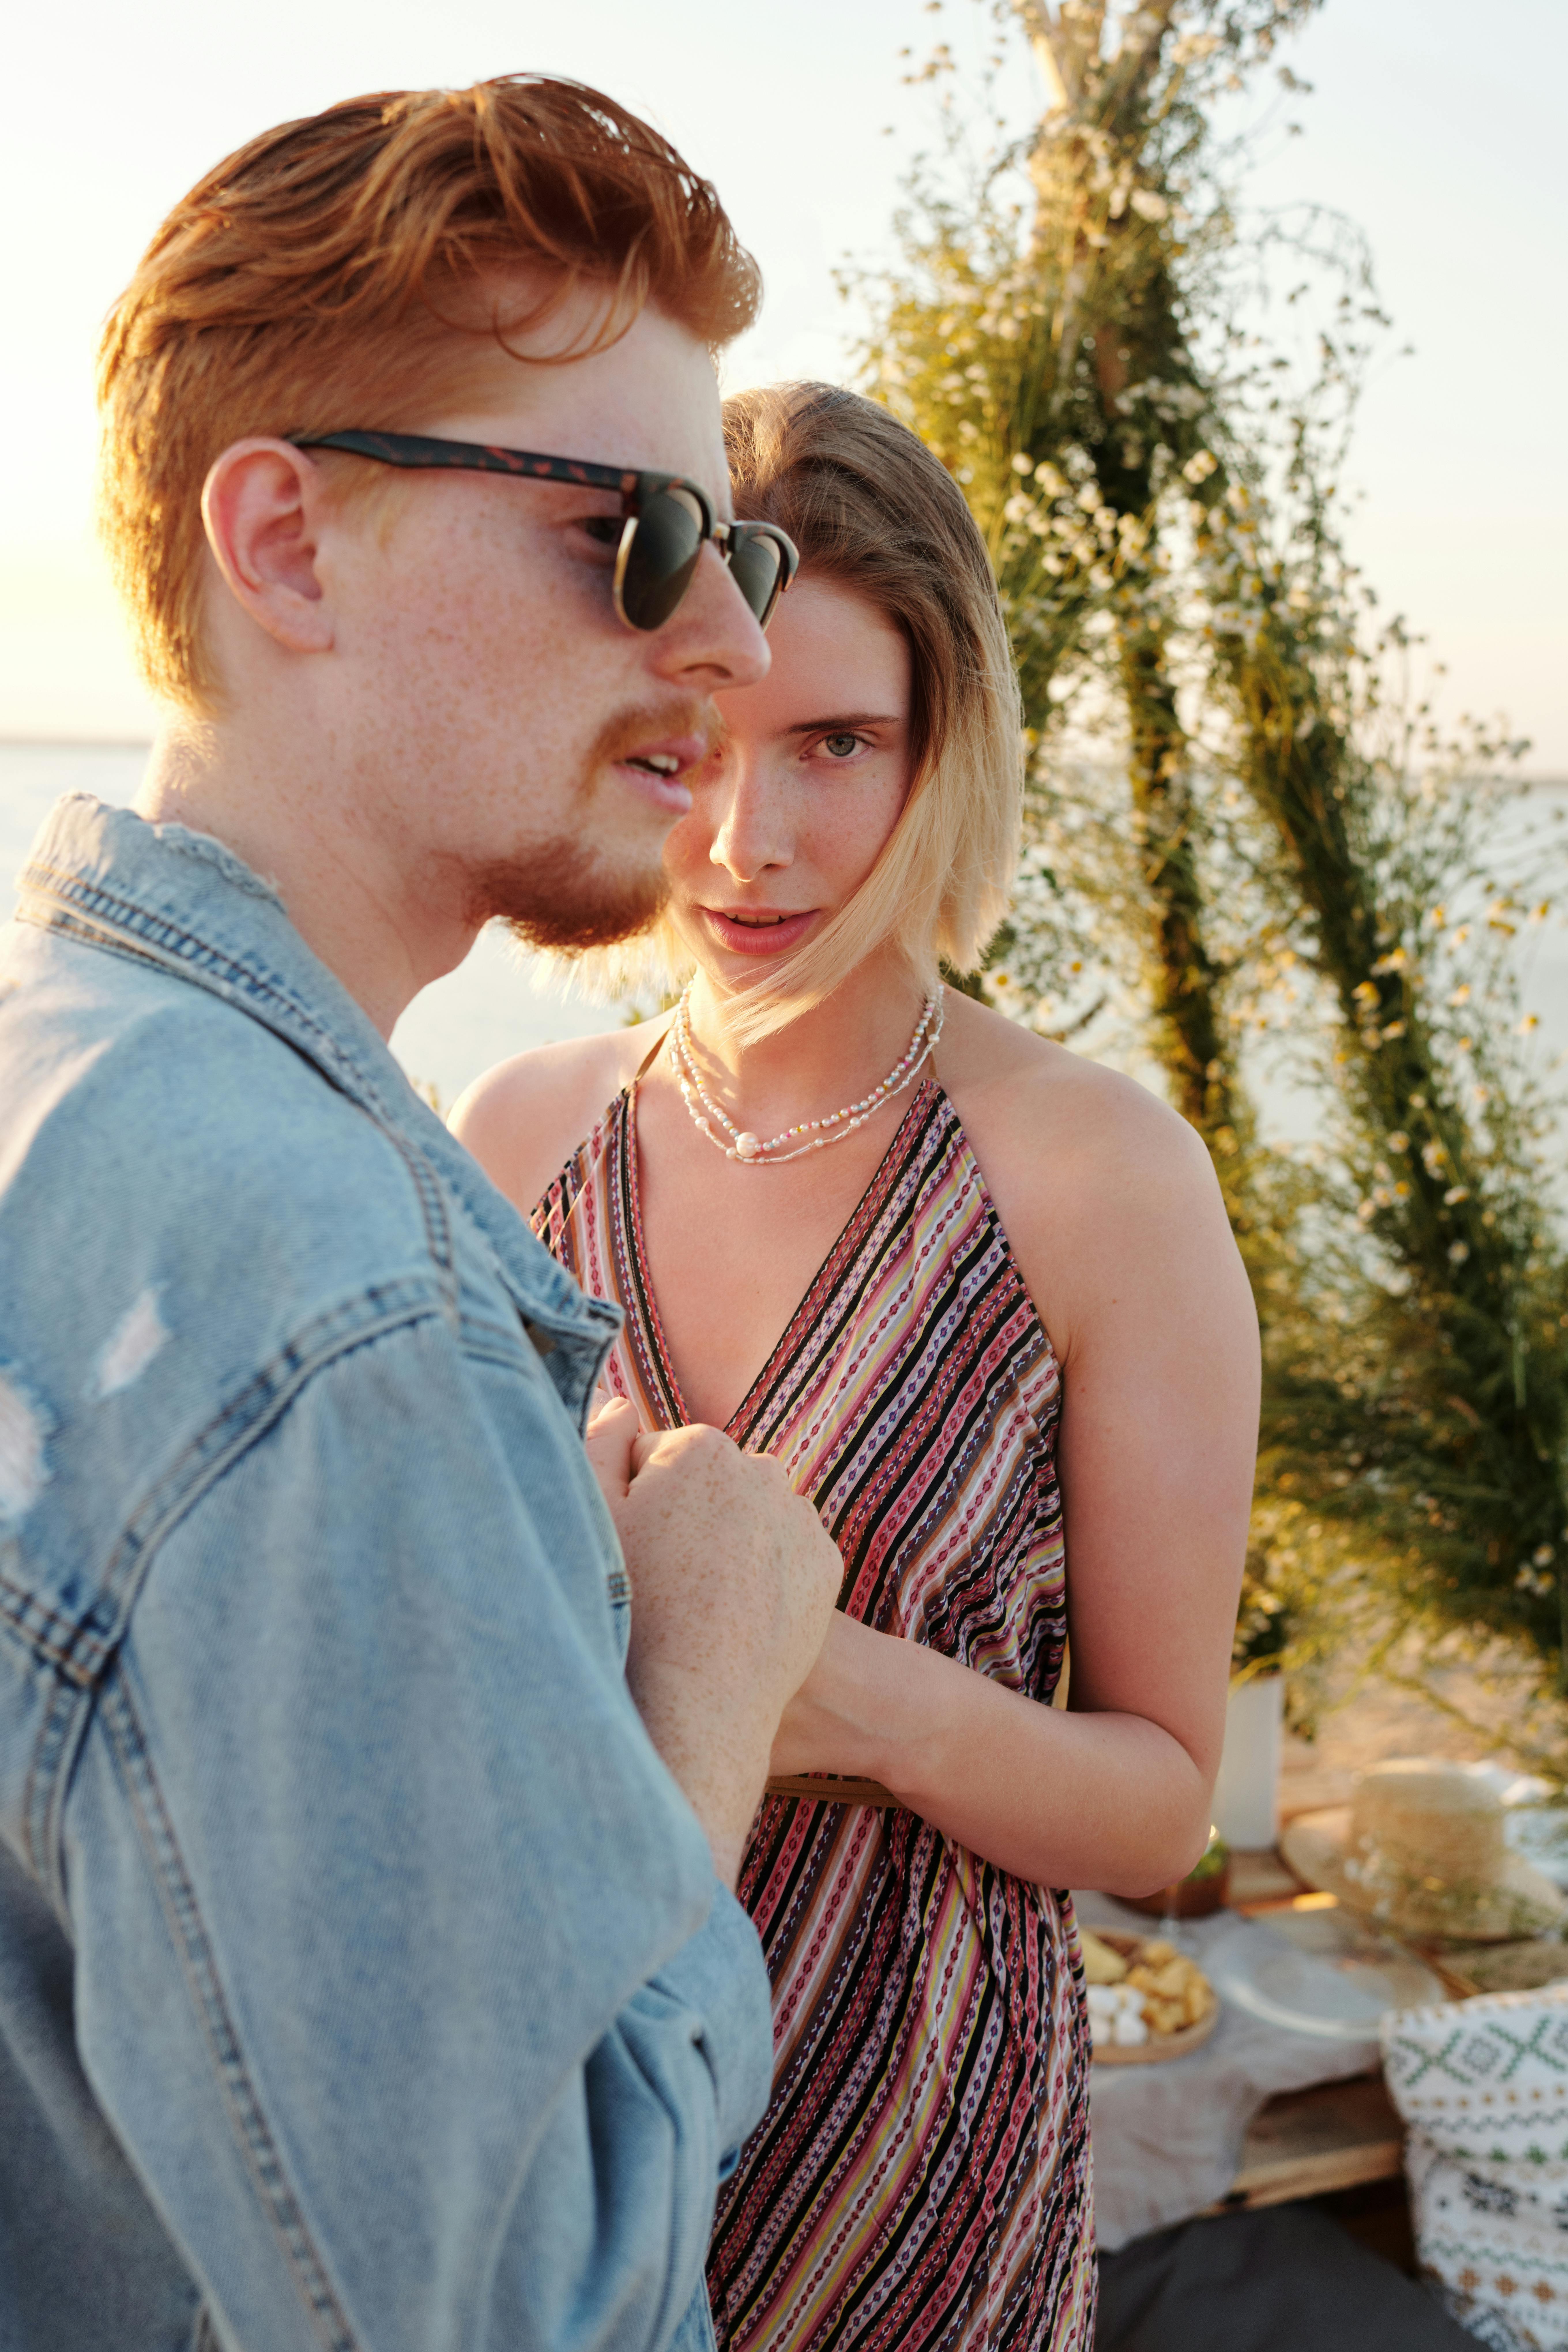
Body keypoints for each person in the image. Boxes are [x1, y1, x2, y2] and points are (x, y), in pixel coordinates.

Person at [0, 82, 843, 2352]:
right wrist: (707, 1675)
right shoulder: (331, 1311)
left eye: (736, 558)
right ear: (281, 543)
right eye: (632, 540)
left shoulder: (54, 1075)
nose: (731, 652)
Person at [452, 383, 1262, 2352]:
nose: (753, 838)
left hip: (921, 2204)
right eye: (705, 742)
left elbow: (1167, 1804)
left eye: (838, 744)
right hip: (556, 2165)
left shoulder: (1099, 1179)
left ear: (945, 747)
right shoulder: (511, 1138)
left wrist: (837, 1694)